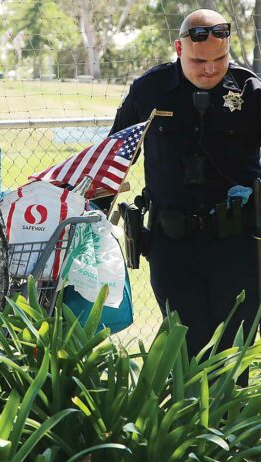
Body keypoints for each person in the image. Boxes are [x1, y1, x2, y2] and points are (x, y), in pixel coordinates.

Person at [110, 9, 260, 368]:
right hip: (172, 244)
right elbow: (114, 155)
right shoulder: (151, 90)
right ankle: (190, 423)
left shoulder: (250, 91)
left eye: (220, 58)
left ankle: (231, 425)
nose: (210, 69)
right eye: (198, 60)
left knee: (231, 353)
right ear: (178, 48)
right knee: (187, 348)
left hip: (237, 246)